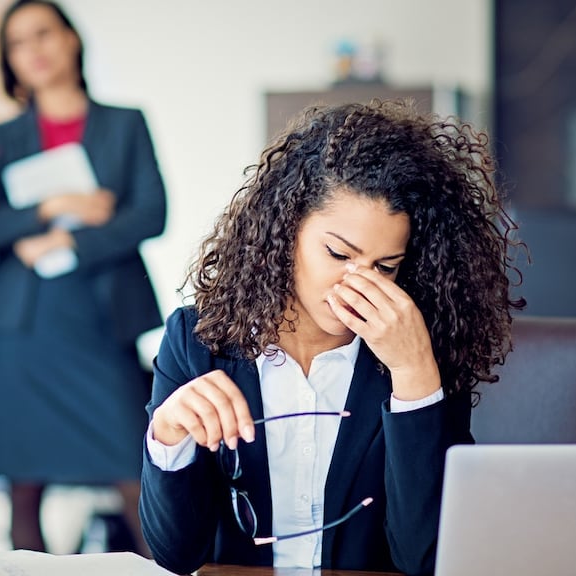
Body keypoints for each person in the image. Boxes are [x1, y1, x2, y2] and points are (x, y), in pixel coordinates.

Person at [140, 101, 524, 575]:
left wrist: (414, 377)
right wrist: (169, 434)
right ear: (285, 229)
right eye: (339, 254)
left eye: (385, 267)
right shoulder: (197, 339)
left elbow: (425, 560)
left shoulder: (424, 350)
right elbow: (175, 556)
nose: (358, 285)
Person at [0, 0, 165, 557]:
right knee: (23, 490)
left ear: (71, 39)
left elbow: (152, 213)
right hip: (21, 328)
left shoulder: (125, 124)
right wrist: (50, 209)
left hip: (100, 321)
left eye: (43, 34)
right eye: (18, 43)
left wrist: (71, 242)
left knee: (134, 470)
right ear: (9, 61)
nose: (34, 50)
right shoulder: (0, 138)